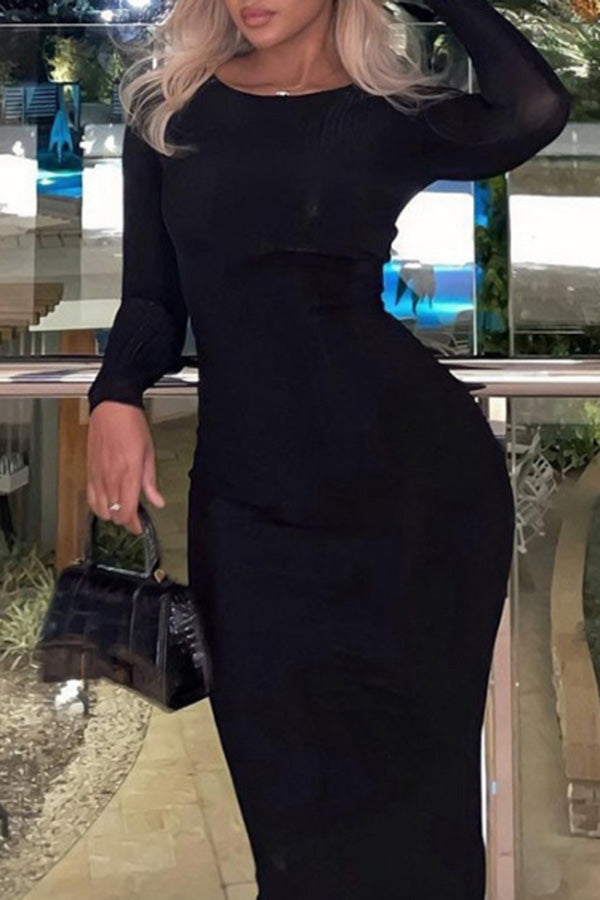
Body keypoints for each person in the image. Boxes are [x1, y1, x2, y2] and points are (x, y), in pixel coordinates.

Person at [86, 1, 571, 897]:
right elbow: (153, 297)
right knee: (288, 836)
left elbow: (534, 107)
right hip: (249, 513)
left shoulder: (387, 112)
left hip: (414, 503)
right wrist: (115, 392)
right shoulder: (169, 108)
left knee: (423, 825)